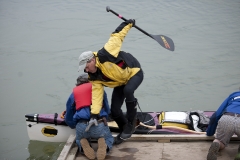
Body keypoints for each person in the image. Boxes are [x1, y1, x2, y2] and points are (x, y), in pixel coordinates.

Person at [78, 19, 144, 144]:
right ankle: (125, 129)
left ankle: (131, 124)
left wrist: (128, 24)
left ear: (92, 60)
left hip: (134, 72)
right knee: (114, 111)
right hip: (120, 82)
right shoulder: (93, 77)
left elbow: (117, 36)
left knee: (129, 90)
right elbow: (97, 95)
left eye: (86, 67)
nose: (86, 71)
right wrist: (93, 115)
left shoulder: (105, 54)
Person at [62, 73, 114, 160]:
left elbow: (69, 114)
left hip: (82, 126)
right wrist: (106, 119)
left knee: (79, 139)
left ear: (78, 84)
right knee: (109, 137)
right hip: (99, 125)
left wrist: (73, 125)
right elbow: (106, 108)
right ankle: (104, 144)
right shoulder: (99, 90)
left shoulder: (74, 94)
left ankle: (83, 144)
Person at [206, 90, 240, 160]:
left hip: (227, 117)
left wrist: (209, 133)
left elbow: (215, 116)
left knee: (220, 140)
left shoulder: (234, 95)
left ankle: (217, 144)